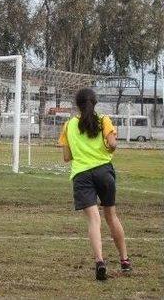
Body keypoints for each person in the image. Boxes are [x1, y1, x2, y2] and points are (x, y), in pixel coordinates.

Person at [58, 88, 131, 281]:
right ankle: (124, 260)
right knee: (111, 216)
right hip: (104, 171)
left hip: (82, 175)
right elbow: (113, 144)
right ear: (95, 103)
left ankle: (100, 261)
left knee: (93, 220)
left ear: (77, 105)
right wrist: (107, 147)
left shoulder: (68, 126)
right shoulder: (104, 120)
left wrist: (80, 150)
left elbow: (66, 157)